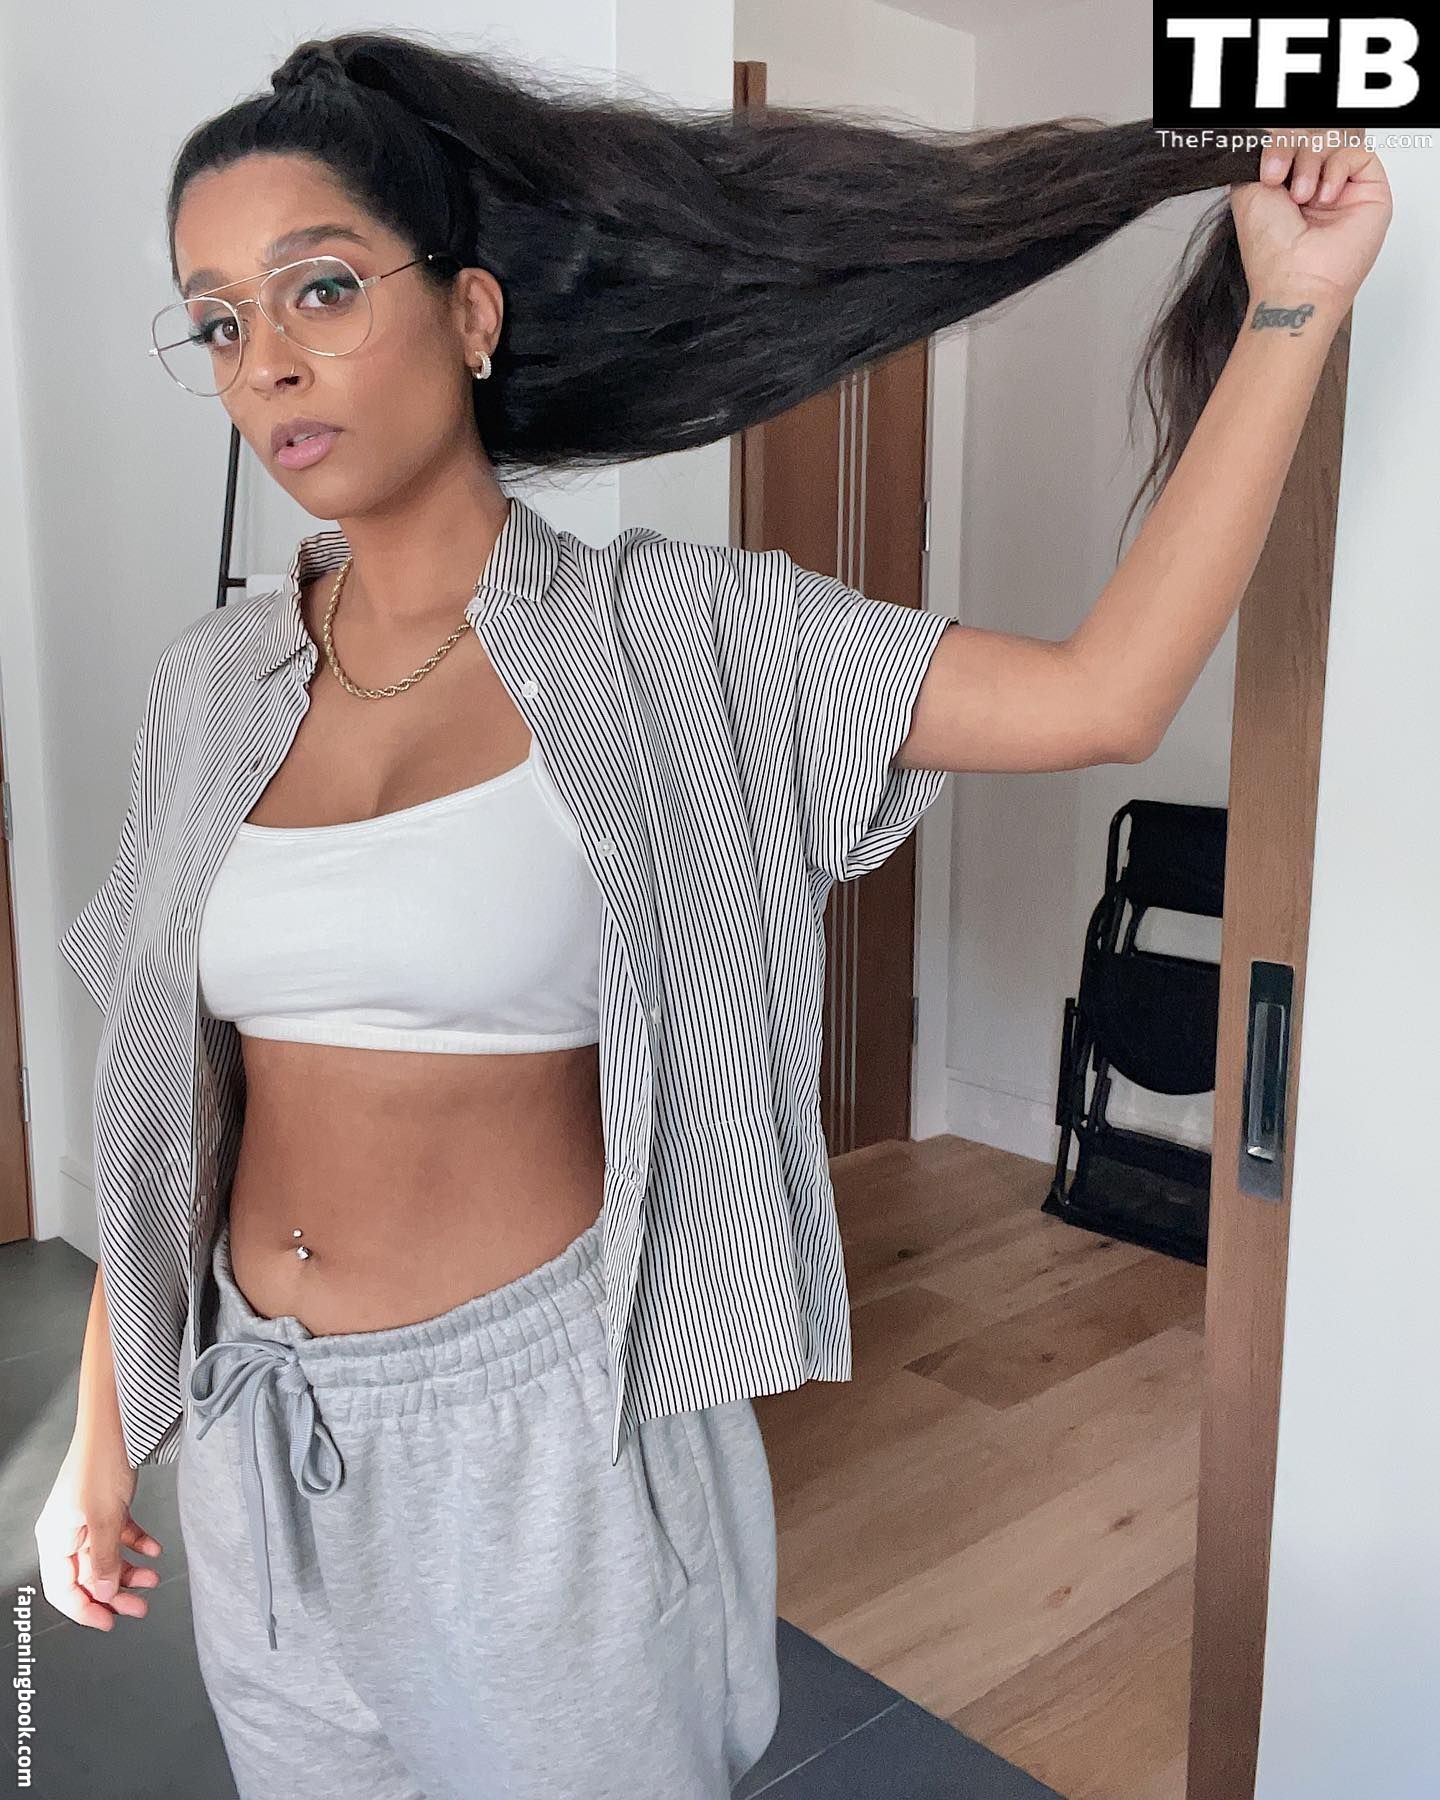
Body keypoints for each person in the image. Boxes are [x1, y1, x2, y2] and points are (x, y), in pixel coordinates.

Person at [35, 26, 1390, 1800]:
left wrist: (1291, 304)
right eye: (218, 321)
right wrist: (102, 1440)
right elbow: (167, 1107)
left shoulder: (679, 640)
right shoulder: (210, 687)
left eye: (322, 288)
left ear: (471, 314)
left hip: (545, 1445)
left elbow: (1100, 696)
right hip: (257, 1438)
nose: (266, 359)